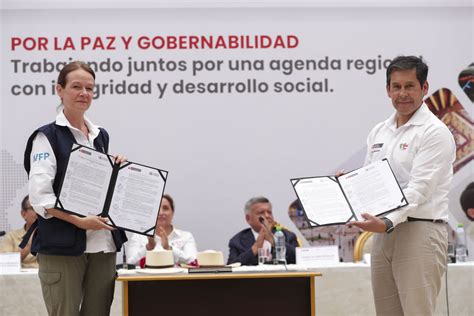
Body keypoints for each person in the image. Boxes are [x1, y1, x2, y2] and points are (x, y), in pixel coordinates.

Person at [349, 56, 456, 315]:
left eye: (410, 86)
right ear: (388, 90)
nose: (403, 94)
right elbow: (370, 180)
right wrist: (348, 188)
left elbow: (419, 189)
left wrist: (386, 222)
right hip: (383, 235)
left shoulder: (434, 132)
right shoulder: (379, 131)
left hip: (420, 232)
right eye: (396, 87)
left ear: (424, 87)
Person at [22, 61, 127, 316]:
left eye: (89, 88)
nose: (84, 93)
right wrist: (80, 222)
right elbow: (41, 199)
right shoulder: (46, 137)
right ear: (60, 90)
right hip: (62, 246)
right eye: (76, 86)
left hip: (102, 245)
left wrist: (117, 172)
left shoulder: (100, 135)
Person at [126, 194, 197, 266]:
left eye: (165, 208)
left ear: (172, 213)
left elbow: (194, 262)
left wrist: (169, 248)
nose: (161, 213)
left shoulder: (186, 237)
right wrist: (148, 247)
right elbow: (130, 264)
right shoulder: (138, 236)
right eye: (156, 209)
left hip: (176, 277)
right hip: (147, 277)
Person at [227, 196, 299, 265]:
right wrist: (255, 247)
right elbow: (231, 267)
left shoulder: (288, 236)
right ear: (248, 218)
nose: (267, 216)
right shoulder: (237, 241)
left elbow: (300, 260)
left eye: (269, 212)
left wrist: (274, 241)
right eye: (261, 213)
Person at [0, 195, 38, 268]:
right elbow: (4, 265)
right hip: (20, 278)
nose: (39, 213)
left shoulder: (53, 236)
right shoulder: (11, 237)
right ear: (23, 214)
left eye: (42, 209)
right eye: (35, 208)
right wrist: (27, 246)